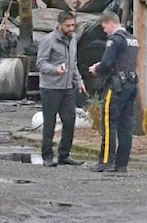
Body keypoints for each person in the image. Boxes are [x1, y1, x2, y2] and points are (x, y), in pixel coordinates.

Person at [88, 12, 139, 173]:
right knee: (126, 125)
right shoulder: (132, 39)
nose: (104, 31)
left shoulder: (115, 40)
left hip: (117, 86)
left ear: (110, 23)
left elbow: (107, 63)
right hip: (131, 84)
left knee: (109, 123)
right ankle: (122, 164)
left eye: (104, 27)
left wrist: (96, 68)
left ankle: (106, 161)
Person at [35, 11, 87, 167]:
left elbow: (74, 63)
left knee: (70, 121)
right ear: (59, 25)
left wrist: (79, 81)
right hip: (50, 88)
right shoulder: (48, 40)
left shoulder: (73, 40)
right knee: (49, 123)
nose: (71, 28)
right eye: (68, 26)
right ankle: (47, 156)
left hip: (67, 87)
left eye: (73, 25)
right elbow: (40, 63)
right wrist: (55, 69)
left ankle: (64, 155)